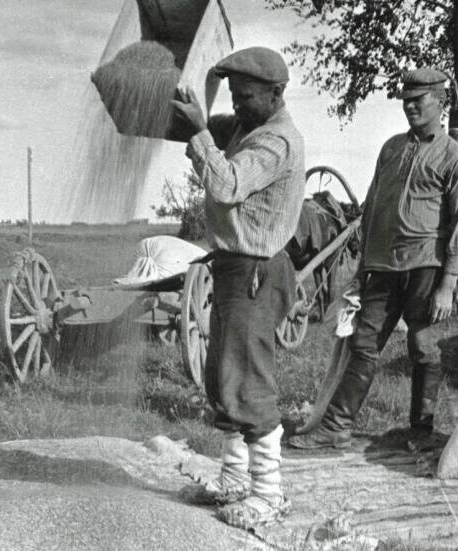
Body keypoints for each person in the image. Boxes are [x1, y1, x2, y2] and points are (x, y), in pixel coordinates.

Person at [288, 67, 458, 450]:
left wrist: (448, 283)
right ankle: (337, 427)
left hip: (427, 266)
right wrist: (362, 269)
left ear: (440, 103)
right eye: (405, 101)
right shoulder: (391, 149)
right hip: (383, 267)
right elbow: (372, 208)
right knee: (363, 342)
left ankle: (421, 434)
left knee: (423, 347)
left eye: (418, 100)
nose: (410, 107)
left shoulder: (455, 159)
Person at [171, 46, 305, 529]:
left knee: (249, 379)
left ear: (276, 93)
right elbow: (210, 149)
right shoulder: (250, 128)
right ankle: (234, 477)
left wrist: (200, 132)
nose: (239, 104)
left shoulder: (277, 142)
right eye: (233, 95)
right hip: (232, 266)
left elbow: (226, 185)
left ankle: (268, 495)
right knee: (223, 376)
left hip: (255, 271)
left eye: (246, 96)